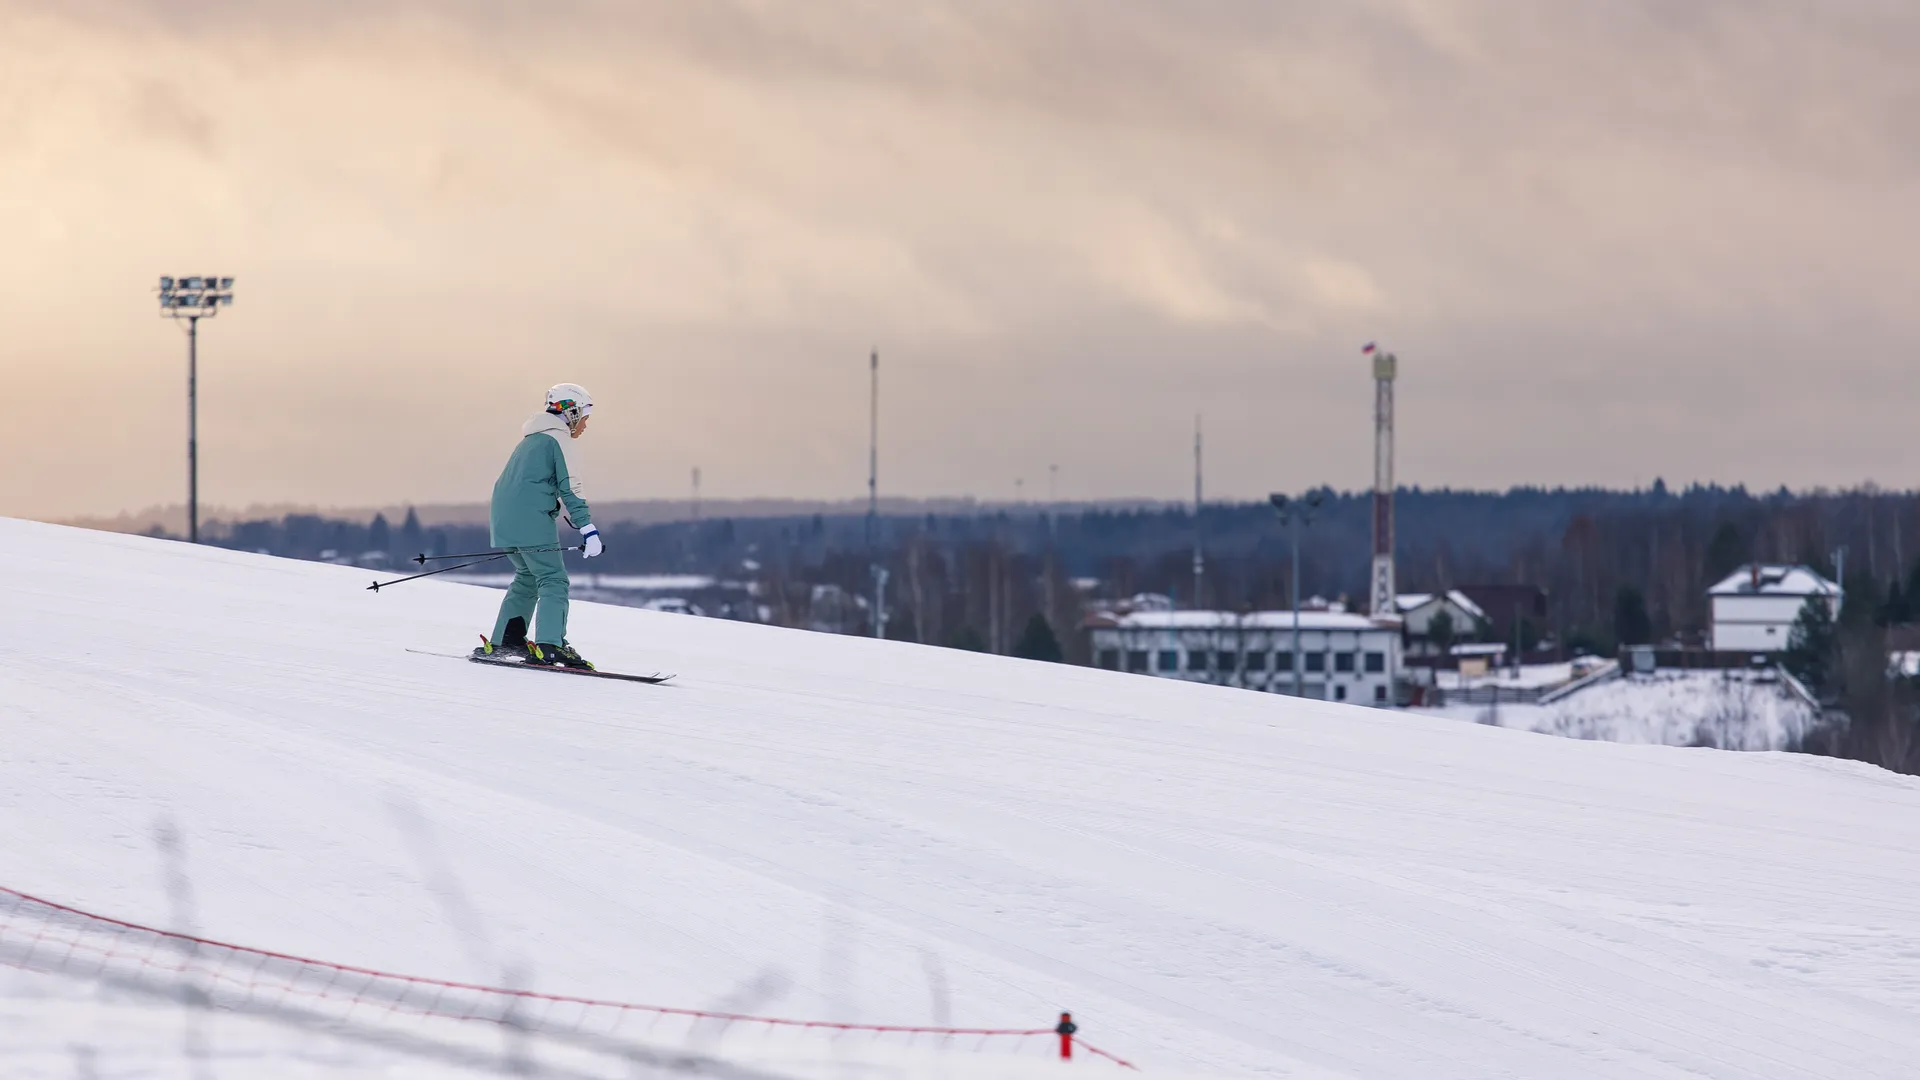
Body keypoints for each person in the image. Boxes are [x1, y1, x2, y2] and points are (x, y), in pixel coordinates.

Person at [473, 383, 604, 668]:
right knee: (553, 579)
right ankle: (551, 645)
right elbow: (571, 487)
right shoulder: (560, 440)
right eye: (584, 416)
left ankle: (505, 641)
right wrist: (588, 529)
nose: (585, 424)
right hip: (531, 518)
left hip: (503, 519)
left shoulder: (529, 440)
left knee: (527, 576)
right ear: (570, 411)